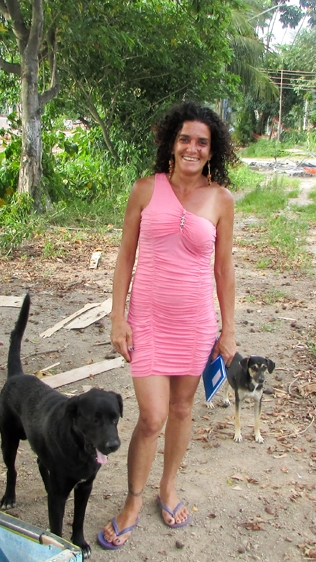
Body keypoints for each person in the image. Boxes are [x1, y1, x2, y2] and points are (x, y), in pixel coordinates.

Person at [98, 102, 238, 550]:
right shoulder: (145, 189)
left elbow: (224, 270)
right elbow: (124, 258)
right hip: (149, 321)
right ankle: (134, 500)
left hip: (196, 324)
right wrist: (117, 316)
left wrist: (228, 329)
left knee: (181, 411)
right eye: (185, 139)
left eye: (202, 141)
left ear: (212, 150)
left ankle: (168, 488)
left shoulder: (221, 200)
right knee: (153, 415)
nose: (192, 148)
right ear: (171, 144)